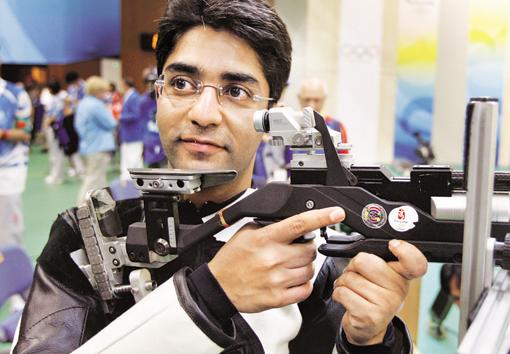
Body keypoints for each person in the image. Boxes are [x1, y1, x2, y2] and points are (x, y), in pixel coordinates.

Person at [12, 1, 427, 353]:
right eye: (181, 83)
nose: (203, 113)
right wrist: (206, 298)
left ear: (275, 115)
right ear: (158, 93)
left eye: (235, 91)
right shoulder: (85, 238)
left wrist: (368, 340)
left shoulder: (307, 248)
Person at [74, 76, 118, 206]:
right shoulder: (96, 105)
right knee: (93, 179)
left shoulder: (83, 103)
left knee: (98, 179)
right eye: (103, 91)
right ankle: (79, 208)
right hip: (98, 147)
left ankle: (106, 206)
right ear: (96, 91)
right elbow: (111, 123)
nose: (106, 94)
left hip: (87, 146)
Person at [0, 67, 32, 246]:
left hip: (8, 171)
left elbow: (24, 132)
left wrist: (2, 134)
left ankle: (10, 271)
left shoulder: (15, 94)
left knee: (7, 234)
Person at [118, 77, 145, 182]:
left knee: (134, 159)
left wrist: (120, 117)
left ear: (126, 85)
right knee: (127, 158)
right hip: (127, 133)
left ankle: (135, 181)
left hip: (134, 134)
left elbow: (136, 114)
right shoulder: (127, 96)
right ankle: (128, 179)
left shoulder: (134, 97)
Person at [43, 81, 67, 185]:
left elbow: (52, 116)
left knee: (55, 152)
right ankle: (58, 175)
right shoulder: (60, 99)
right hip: (59, 128)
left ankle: (56, 176)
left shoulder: (55, 101)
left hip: (54, 128)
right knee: (58, 152)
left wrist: (45, 125)